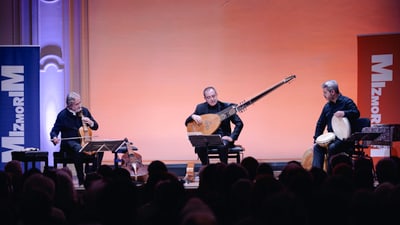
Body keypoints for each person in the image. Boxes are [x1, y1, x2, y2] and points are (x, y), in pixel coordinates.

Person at [50, 91, 102, 186]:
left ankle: (93, 174)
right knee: (78, 148)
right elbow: (54, 130)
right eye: (77, 104)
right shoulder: (62, 115)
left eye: (80, 102)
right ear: (70, 105)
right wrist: (54, 137)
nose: (80, 106)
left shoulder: (85, 111)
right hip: (69, 144)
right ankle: (81, 179)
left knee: (100, 148)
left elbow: (96, 126)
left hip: (85, 142)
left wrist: (90, 122)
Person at [185, 86, 244, 165]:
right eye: (209, 97)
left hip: (223, 139)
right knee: (199, 146)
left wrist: (232, 137)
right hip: (207, 139)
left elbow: (239, 123)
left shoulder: (226, 107)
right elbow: (187, 123)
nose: (212, 99)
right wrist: (192, 116)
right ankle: (206, 168)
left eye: (213, 96)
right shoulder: (200, 108)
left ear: (216, 95)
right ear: (205, 98)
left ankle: (223, 168)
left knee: (222, 145)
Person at [312, 80, 360, 173]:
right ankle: (316, 174)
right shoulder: (327, 107)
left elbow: (356, 113)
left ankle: (331, 176)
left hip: (345, 138)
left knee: (332, 147)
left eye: (325, 92)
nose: (324, 95)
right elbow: (320, 123)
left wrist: (344, 113)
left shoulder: (347, 102)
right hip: (332, 137)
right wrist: (316, 139)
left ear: (332, 92)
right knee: (317, 147)